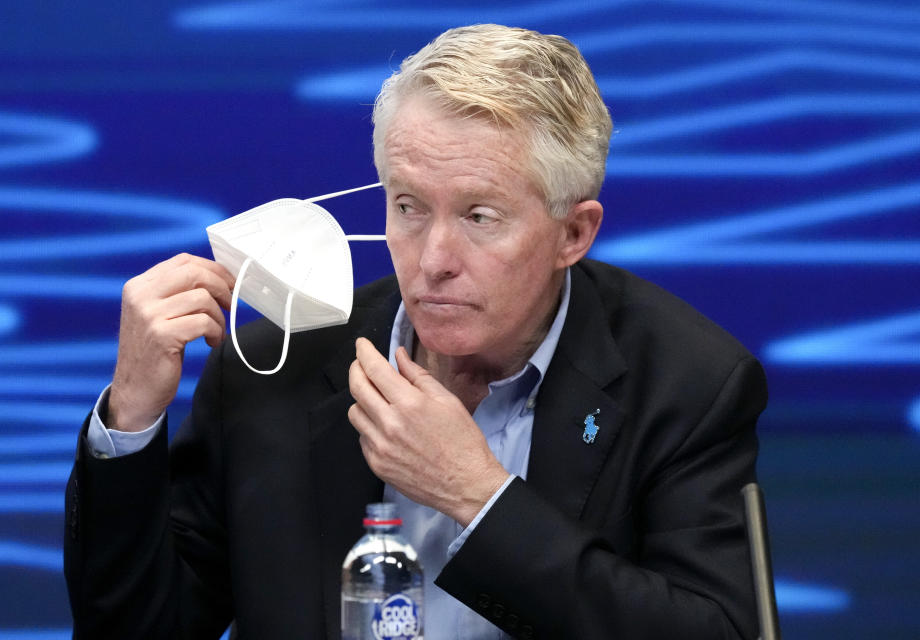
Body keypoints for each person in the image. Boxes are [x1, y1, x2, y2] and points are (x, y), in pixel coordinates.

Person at [64, 24, 767, 639]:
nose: (432, 261)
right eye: (408, 206)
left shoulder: (686, 383)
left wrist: (477, 497)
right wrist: (130, 418)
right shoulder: (273, 368)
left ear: (573, 232)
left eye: (479, 217)